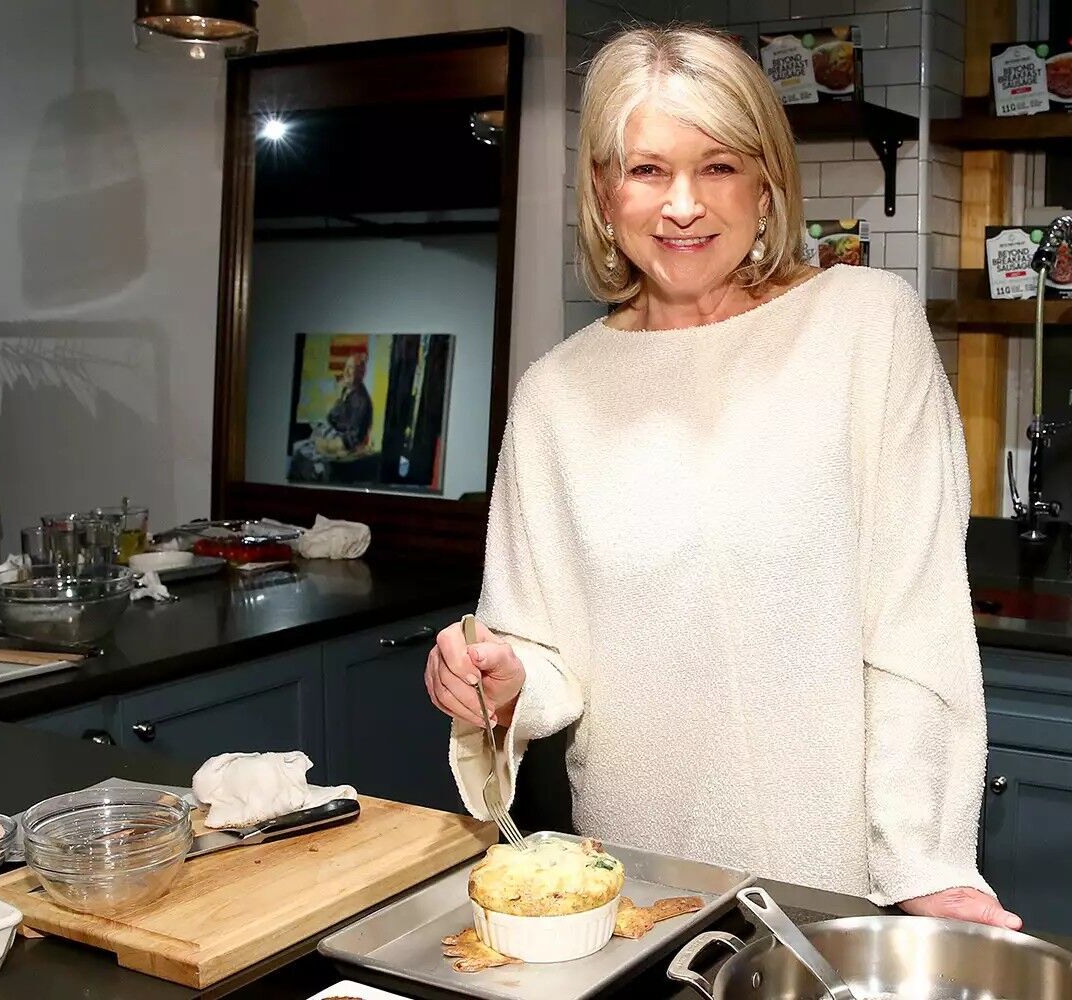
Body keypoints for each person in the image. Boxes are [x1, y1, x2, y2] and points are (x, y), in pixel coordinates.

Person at [426, 25, 1019, 928]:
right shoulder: (556, 395)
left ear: (767, 179)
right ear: (601, 188)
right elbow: (545, 651)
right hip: (639, 886)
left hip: (835, 879)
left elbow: (914, 620)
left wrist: (925, 858)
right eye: (647, 170)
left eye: (718, 167)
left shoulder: (864, 329)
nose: (684, 206)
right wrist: (498, 678)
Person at [289, 352, 373, 480]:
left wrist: (325, 445)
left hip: (340, 450)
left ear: (361, 373)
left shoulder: (360, 401)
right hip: (328, 438)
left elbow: (351, 439)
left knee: (300, 458)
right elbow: (332, 417)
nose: (347, 371)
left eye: (352, 368)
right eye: (346, 366)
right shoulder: (347, 391)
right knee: (296, 449)